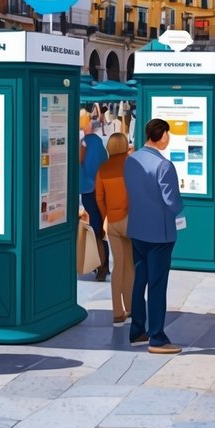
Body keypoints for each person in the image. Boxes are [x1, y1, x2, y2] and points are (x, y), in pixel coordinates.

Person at [123, 119, 184, 354]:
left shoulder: (132, 159)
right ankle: (157, 338)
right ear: (164, 135)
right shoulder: (164, 165)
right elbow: (172, 203)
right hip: (160, 233)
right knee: (157, 286)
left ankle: (137, 330)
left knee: (140, 281)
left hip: (137, 229)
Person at [95, 132, 134, 326]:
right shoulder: (131, 164)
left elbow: (99, 198)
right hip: (130, 219)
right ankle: (131, 306)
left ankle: (117, 312)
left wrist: (105, 216)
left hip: (112, 221)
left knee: (118, 265)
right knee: (131, 264)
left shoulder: (102, 169)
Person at [80, 130, 110, 281]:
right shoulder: (101, 152)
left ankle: (101, 267)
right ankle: (103, 265)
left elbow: (85, 179)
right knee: (99, 231)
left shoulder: (87, 157)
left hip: (91, 195)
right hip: (101, 194)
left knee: (96, 231)